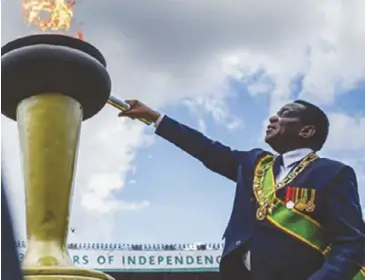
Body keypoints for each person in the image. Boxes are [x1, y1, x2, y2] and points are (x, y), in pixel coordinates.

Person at [118, 99, 365, 280]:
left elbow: (351, 243)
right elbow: (208, 150)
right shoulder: (255, 163)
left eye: (285, 114)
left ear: (306, 131)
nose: (273, 118)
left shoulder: (333, 173)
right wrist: (156, 118)